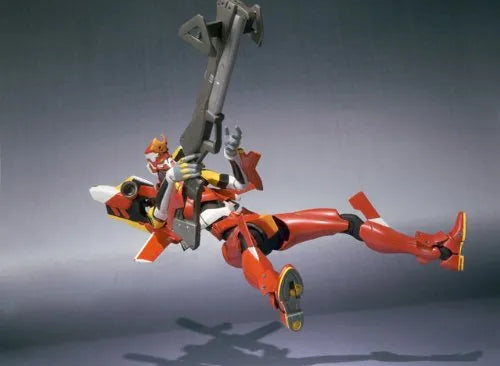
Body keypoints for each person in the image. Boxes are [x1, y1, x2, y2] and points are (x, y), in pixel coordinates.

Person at [141, 127, 467, 332]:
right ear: (155, 166)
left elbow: (240, 184)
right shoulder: (167, 196)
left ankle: (437, 251)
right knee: (247, 239)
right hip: (234, 242)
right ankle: (278, 294)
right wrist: (170, 181)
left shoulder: (202, 178)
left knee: (346, 221)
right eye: (161, 158)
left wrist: (232, 158)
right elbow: (159, 218)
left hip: (264, 224)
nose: (168, 159)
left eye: (168, 155)